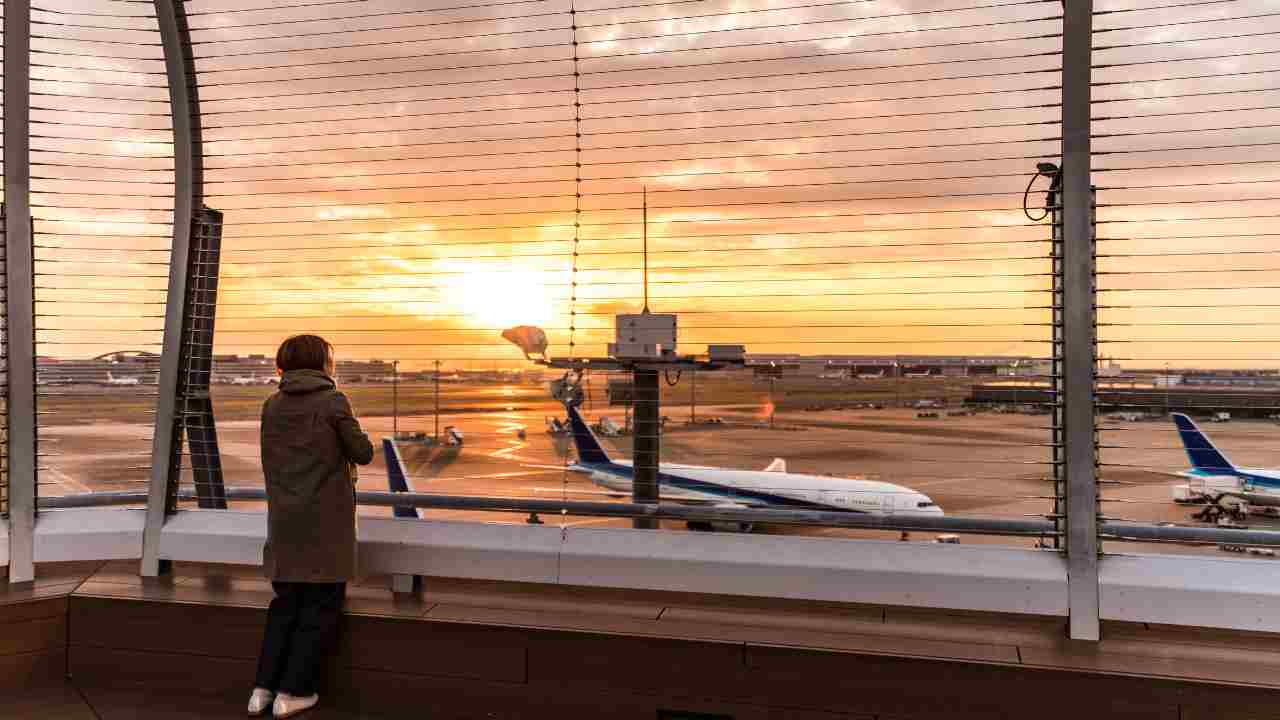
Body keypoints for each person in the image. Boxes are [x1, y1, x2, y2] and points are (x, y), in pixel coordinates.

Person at [248, 335, 374, 718]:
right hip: (324, 523)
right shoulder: (333, 401)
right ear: (324, 364)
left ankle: (262, 689)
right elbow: (363, 452)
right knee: (320, 608)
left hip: (285, 522)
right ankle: (295, 692)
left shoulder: (272, 405)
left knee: (284, 606)